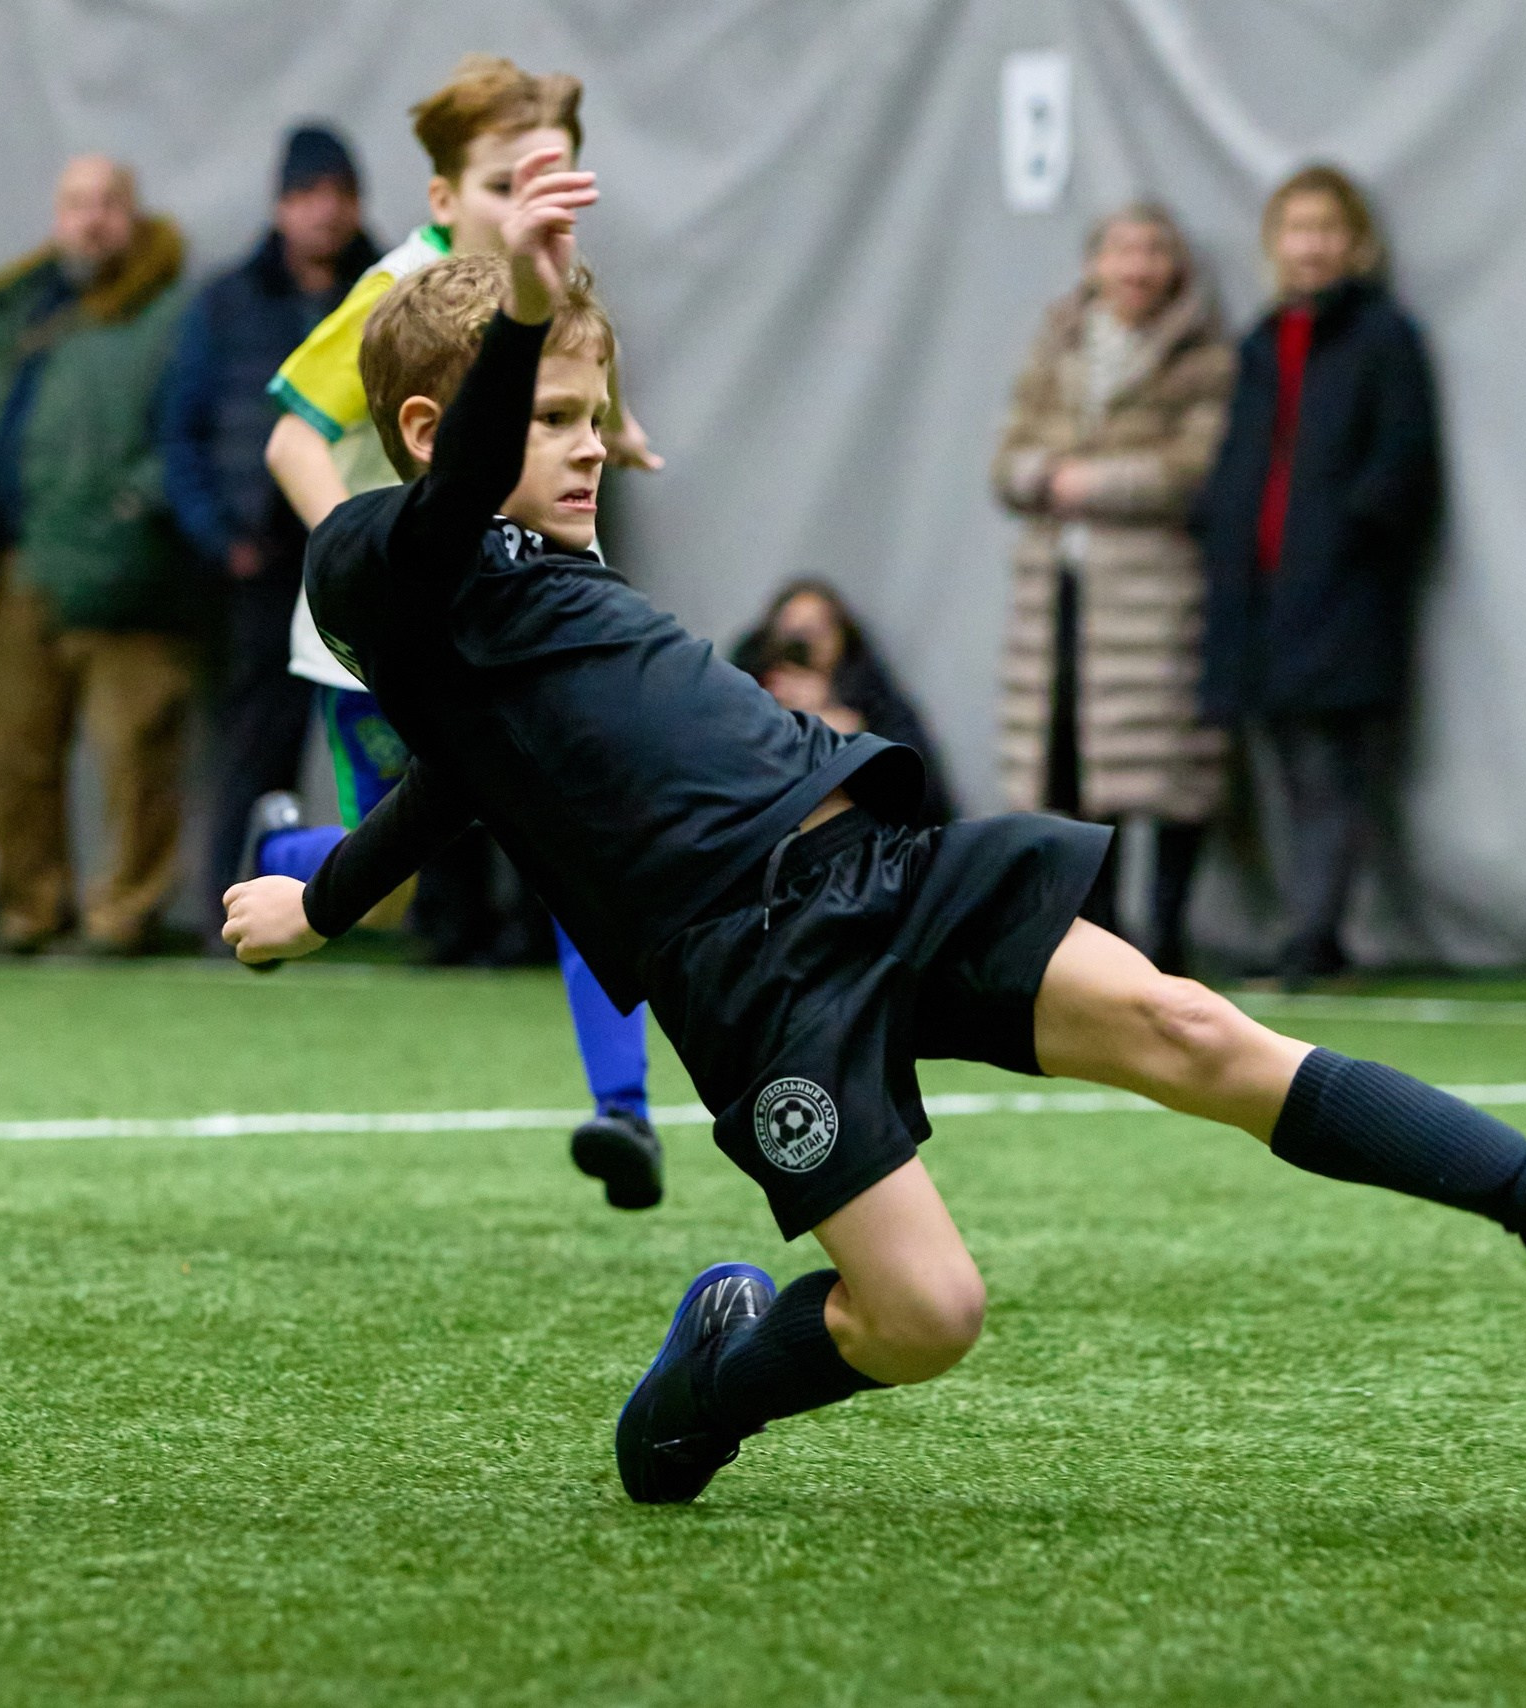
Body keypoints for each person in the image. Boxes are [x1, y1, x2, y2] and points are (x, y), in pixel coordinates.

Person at [216, 154, 1526, 1508]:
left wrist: (325, 898)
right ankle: (713, 1381)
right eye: (556, 418)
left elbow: (463, 774)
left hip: (883, 871)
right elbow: (457, 575)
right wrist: (524, 314)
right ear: (428, 428)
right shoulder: (379, 558)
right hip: (753, 974)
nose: (587, 445)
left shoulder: (532, 589)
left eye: (594, 416)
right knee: (928, 1318)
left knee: (1190, 1026)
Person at [251, 54, 666, 1207]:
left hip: (522, 620)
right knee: (384, 863)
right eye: (504, 184)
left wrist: (617, 430)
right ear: (444, 197)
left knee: (583, 852)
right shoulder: (398, 294)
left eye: (554, 178)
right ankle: (279, 855)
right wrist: (377, 566)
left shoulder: (549, 281)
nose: (533, 205)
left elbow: (567, 370)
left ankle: (624, 1111)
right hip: (393, 642)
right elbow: (290, 435)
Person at [0, 156, 192, 955]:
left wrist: (135, 507)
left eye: (109, 203)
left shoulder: (170, 313)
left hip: (122, 570)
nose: (92, 219)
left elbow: (197, 426)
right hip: (6, 563)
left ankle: (125, 916)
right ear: (57, 217)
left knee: (135, 753)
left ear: (133, 217)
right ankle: (30, 910)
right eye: (77, 204)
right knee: (12, 756)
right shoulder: (22, 315)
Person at [1195, 164, 1441, 988]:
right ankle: (1306, 931)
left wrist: (1349, 540)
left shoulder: (1383, 337)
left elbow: (1404, 463)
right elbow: (1240, 464)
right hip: (1258, 601)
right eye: (1298, 230)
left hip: (1342, 596)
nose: (1313, 246)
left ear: (1357, 242)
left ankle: (1311, 940)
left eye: (1329, 229)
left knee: (1333, 772)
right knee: (1282, 774)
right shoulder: (1261, 342)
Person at [992, 201, 1232, 973]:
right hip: (1058, 583)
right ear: (1094, 263)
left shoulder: (1203, 354)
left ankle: (1166, 936)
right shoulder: (1058, 340)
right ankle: (1095, 936)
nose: (1136, 267)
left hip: (1154, 588)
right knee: (1067, 761)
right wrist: (1042, 475)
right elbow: (1008, 456)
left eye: (1153, 251)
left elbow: (1197, 468)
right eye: (1121, 250)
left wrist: (1097, 483)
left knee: (1163, 766)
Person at [160, 126, 377, 923]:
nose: (326, 211)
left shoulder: (388, 290)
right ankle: (238, 904)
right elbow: (178, 430)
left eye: (341, 194)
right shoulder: (227, 302)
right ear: (280, 206)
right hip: (266, 562)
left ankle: (442, 921)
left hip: (365, 555)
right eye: (308, 194)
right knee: (256, 743)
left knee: (408, 737)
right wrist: (223, 541)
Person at [728, 579, 957, 825]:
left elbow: (925, 799)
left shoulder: (874, 705)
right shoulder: (743, 701)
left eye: (815, 631)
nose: (805, 643)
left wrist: (855, 738)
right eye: (793, 634)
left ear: (841, 638)